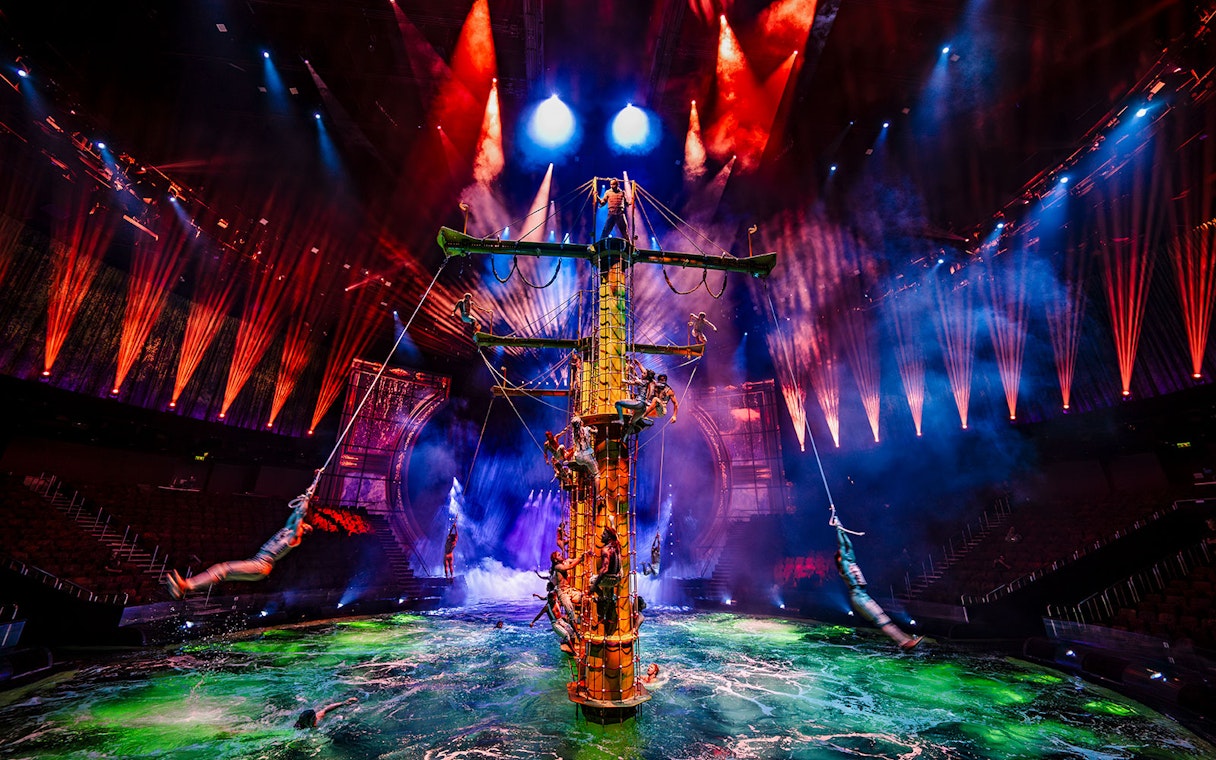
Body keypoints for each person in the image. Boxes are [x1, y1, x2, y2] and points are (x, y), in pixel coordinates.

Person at [166, 485, 314, 599]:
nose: (304, 524)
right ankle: (185, 587)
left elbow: (300, 514)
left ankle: (185, 585)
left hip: (261, 564)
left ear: (304, 531)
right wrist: (309, 492)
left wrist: (307, 499)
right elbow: (296, 513)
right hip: (259, 563)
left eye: (306, 526)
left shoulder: (295, 537)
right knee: (221, 572)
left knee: (222, 569)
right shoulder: (287, 530)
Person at [831, 511, 921, 651]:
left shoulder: (851, 560)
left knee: (883, 618)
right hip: (858, 596)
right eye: (842, 555)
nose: (845, 554)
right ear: (839, 559)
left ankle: (904, 641)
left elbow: (848, 545)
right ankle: (903, 642)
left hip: (863, 595)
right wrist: (838, 529)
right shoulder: (844, 567)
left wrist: (842, 529)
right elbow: (842, 546)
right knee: (881, 620)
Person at [588, 527, 622, 633]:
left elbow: (604, 569)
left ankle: (602, 597)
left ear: (609, 537)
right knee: (607, 588)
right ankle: (609, 599)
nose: (601, 535)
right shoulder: (617, 546)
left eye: (604, 534)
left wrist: (594, 585)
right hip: (617, 578)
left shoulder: (605, 550)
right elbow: (616, 537)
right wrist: (612, 523)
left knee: (591, 580)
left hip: (609, 579)